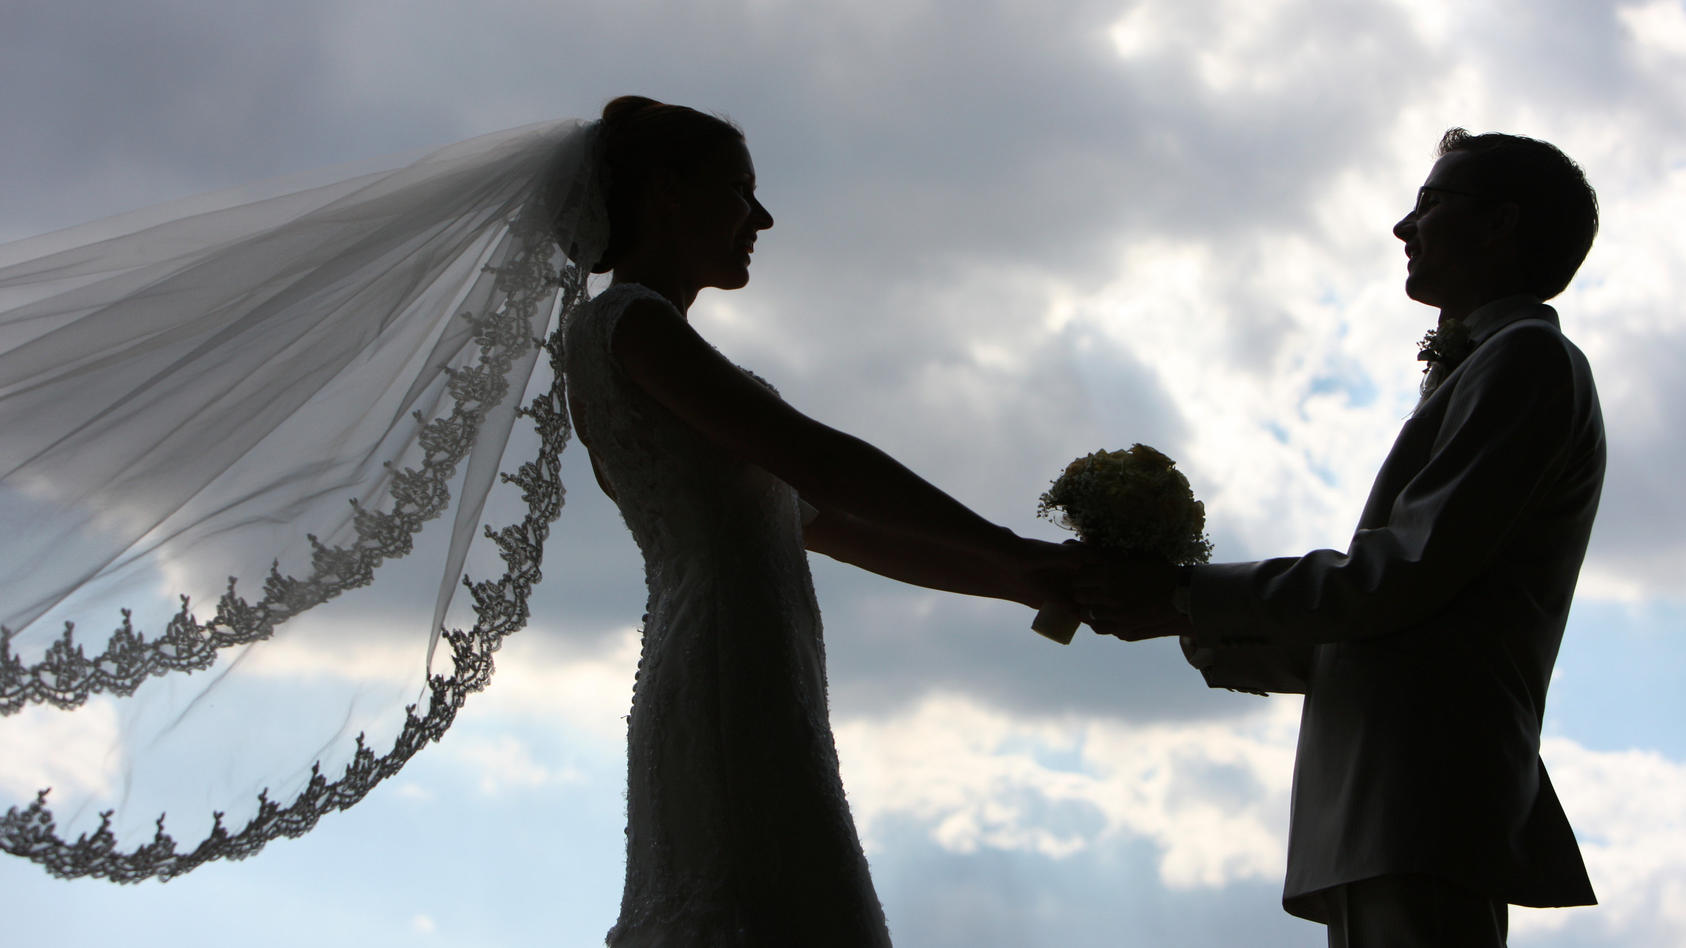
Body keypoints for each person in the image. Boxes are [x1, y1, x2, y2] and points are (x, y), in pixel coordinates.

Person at [1072, 128, 1604, 947]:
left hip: (1421, 800)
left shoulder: (1526, 359)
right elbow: (1397, 623)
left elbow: (1399, 580)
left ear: (1500, 225)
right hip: (1386, 812)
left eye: (1429, 202)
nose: (1403, 226)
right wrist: (1182, 614)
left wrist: (1182, 595)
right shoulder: (1494, 364)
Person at [563, 95, 1068, 946]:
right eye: (739, 190)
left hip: (749, 671)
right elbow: (817, 460)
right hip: (729, 676)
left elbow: (837, 525)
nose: (760, 217)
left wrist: (1026, 579)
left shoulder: (652, 341)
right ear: (665, 194)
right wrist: (1009, 546)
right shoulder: (628, 326)